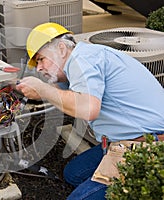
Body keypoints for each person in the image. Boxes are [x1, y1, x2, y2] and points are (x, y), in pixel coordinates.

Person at [15, 22, 164, 199]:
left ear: (61, 49)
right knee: (73, 174)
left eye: (41, 59)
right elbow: (58, 91)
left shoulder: (82, 59)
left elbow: (88, 109)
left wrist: (44, 90)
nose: (39, 68)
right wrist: (12, 78)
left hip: (146, 145)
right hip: (124, 139)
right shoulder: (85, 56)